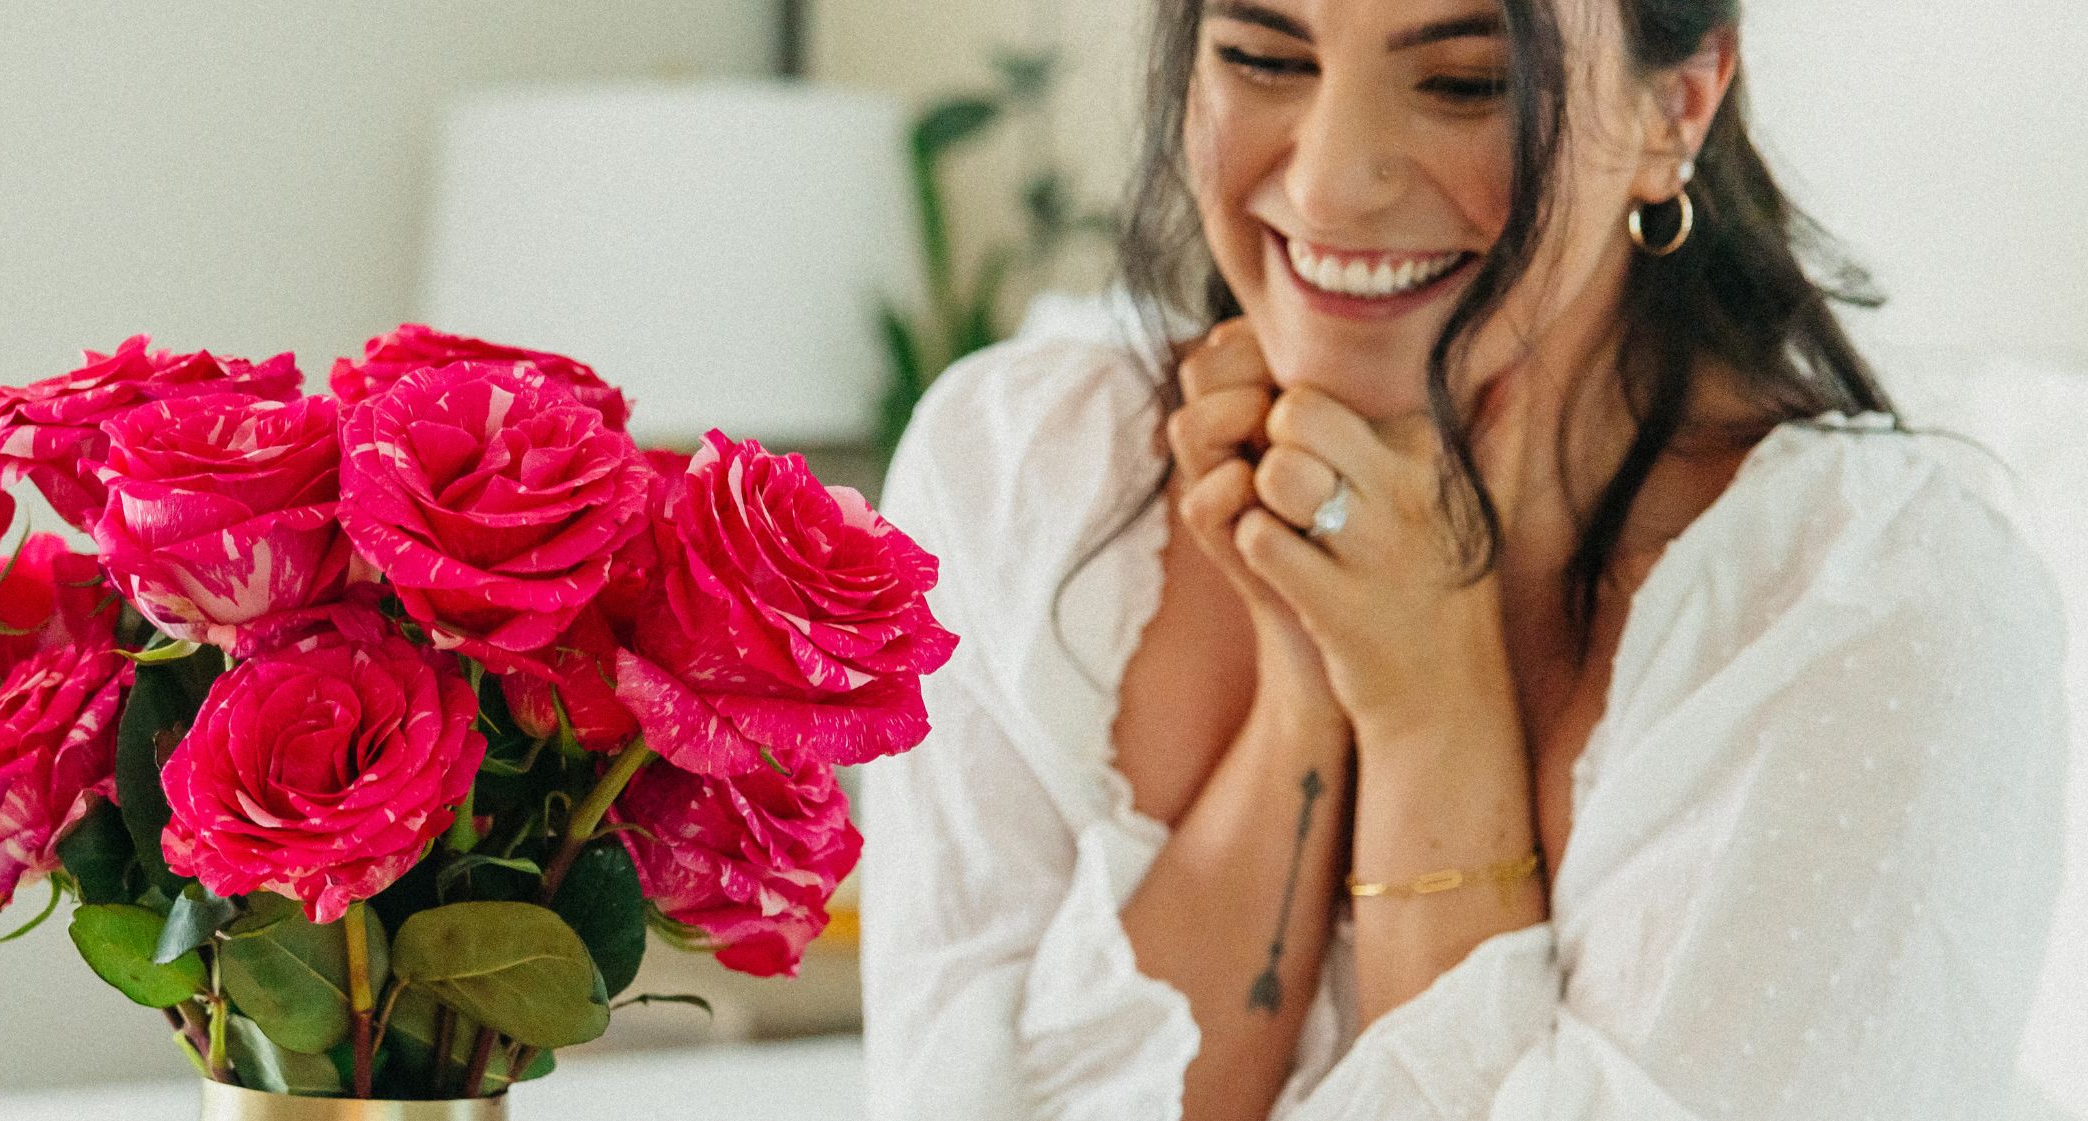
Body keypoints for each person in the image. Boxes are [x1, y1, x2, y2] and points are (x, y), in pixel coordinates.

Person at [855, 0, 2072, 1117]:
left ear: (1675, 103)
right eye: (1263, 59)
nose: (1329, 187)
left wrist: (1434, 707)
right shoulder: (1027, 474)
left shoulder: (1865, 602)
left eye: (1465, 83)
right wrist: (1307, 678)